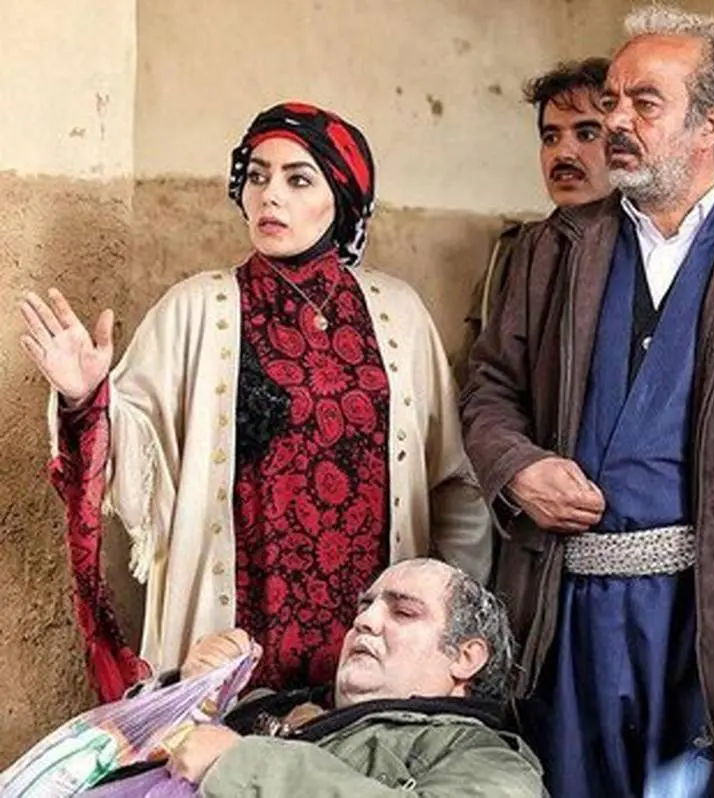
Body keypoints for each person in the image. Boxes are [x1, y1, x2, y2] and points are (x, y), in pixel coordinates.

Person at [460, 6, 714, 796]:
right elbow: (489, 390)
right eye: (612, 100)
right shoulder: (549, 251)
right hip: (567, 620)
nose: (616, 121)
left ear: (709, 124)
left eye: (643, 103)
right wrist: (517, 468)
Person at [18, 102, 491, 693]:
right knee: (229, 743)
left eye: (298, 179)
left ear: (342, 198)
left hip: (369, 624)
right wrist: (88, 398)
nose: (270, 196)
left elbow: (453, 481)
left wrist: (445, 616)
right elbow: (136, 463)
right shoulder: (195, 308)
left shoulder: (401, 315)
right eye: (258, 176)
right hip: (238, 621)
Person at [95, 559, 545, 796]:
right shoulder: (268, 704)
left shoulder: (485, 757)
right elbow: (108, 751)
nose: (365, 621)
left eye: (403, 612)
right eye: (364, 608)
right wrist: (187, 691)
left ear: (465, 658)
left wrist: (239, 765)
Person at [457, 57, 613, 384]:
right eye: (550, 138)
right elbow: (483, 379)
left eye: (586, 133)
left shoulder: (655, 251)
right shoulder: (516, 253)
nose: (563, 153)